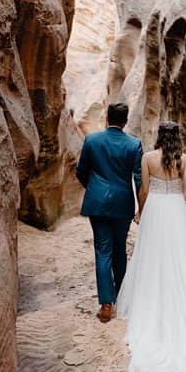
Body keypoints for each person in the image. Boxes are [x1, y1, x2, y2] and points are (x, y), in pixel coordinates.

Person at [116, 120, 186, 372]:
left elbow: (143, 189)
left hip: (154, 211)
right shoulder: (183, 159)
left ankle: (153, 301)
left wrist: (140, 212)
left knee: (152, 259)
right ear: (177, 137)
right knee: (181, 259)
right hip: (175, 211)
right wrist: (179, 192)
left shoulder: (149, 158)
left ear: (159, 136)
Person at [76, 102, 144, 323]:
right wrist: (141, 205)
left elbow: (81, 171)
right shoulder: (134, 145)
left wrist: (94, 188)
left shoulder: (92, 141)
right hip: (122, 203)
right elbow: (139, 178)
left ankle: (107, 303)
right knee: (120, 250)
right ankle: (122, 298)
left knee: (102, 250)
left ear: (107, 118)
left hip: (97, 203)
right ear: (125, 121)